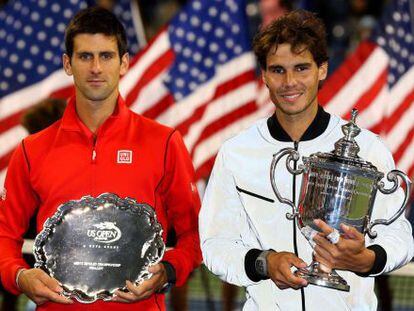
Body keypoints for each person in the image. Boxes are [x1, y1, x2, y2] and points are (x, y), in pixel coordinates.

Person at [199, 9, 413, 310]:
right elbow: (215, 244)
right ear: (263, 75)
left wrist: (367, 259)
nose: (289, 82)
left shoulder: (367, 147)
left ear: (322, 69)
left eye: (301, 68)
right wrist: (264, 262)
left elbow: (399, 234)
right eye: (277, 70)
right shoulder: (236, 152)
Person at [0, 6, 201, 310]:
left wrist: (168, 271)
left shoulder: (164, 142)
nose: (96, 68)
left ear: (124, 64)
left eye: (106, 56)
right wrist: (19, 276)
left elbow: (195, 234)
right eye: (85, 56)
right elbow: (3, 235)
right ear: (68, 64)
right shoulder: (32, 149)